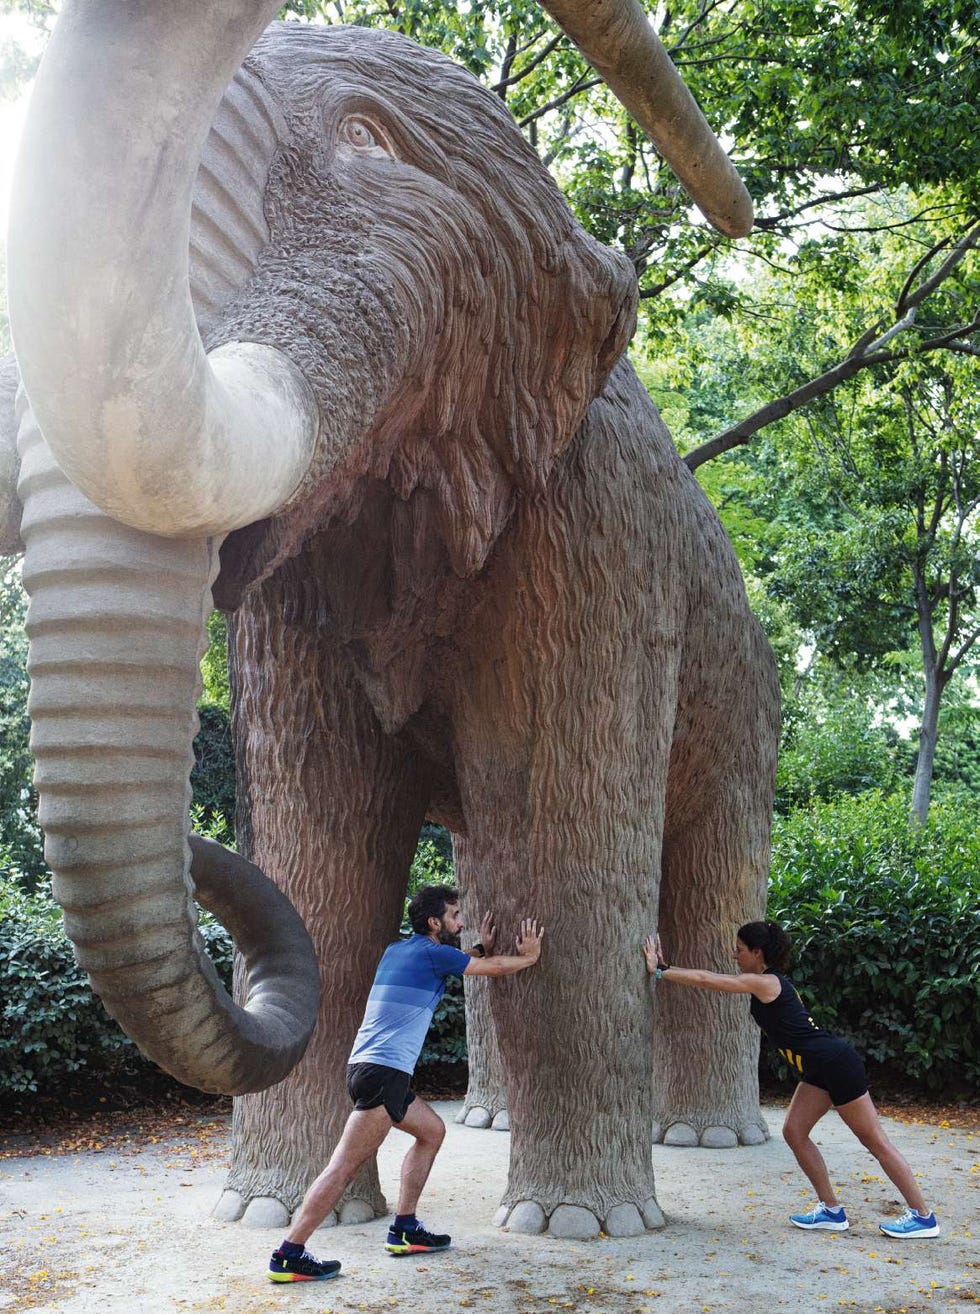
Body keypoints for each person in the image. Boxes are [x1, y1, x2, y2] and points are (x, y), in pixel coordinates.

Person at [269, 885, 545, 1282]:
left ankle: (405, 1229)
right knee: (343, 1166)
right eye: (454, 915)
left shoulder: (400, 951)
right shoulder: (434, 954)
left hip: (377, 1072)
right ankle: (288, 1253)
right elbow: (496, 969)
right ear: (435, 923)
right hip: (383, 1073)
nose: (461, 922)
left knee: (431, 1131)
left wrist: (479, 950)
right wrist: (528, 956)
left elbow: (459, 963)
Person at [643, 920, 940, 1240]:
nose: (735, 956)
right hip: (818, 1069)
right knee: (794, 1132)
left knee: (875, 1141)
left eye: (740, 950)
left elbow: (709, 980)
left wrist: (661, 970)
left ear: (758, 953)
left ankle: (923, 1216)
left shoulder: (766, 982)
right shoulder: (770, 982)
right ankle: (831, 1211)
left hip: (836, 1064)